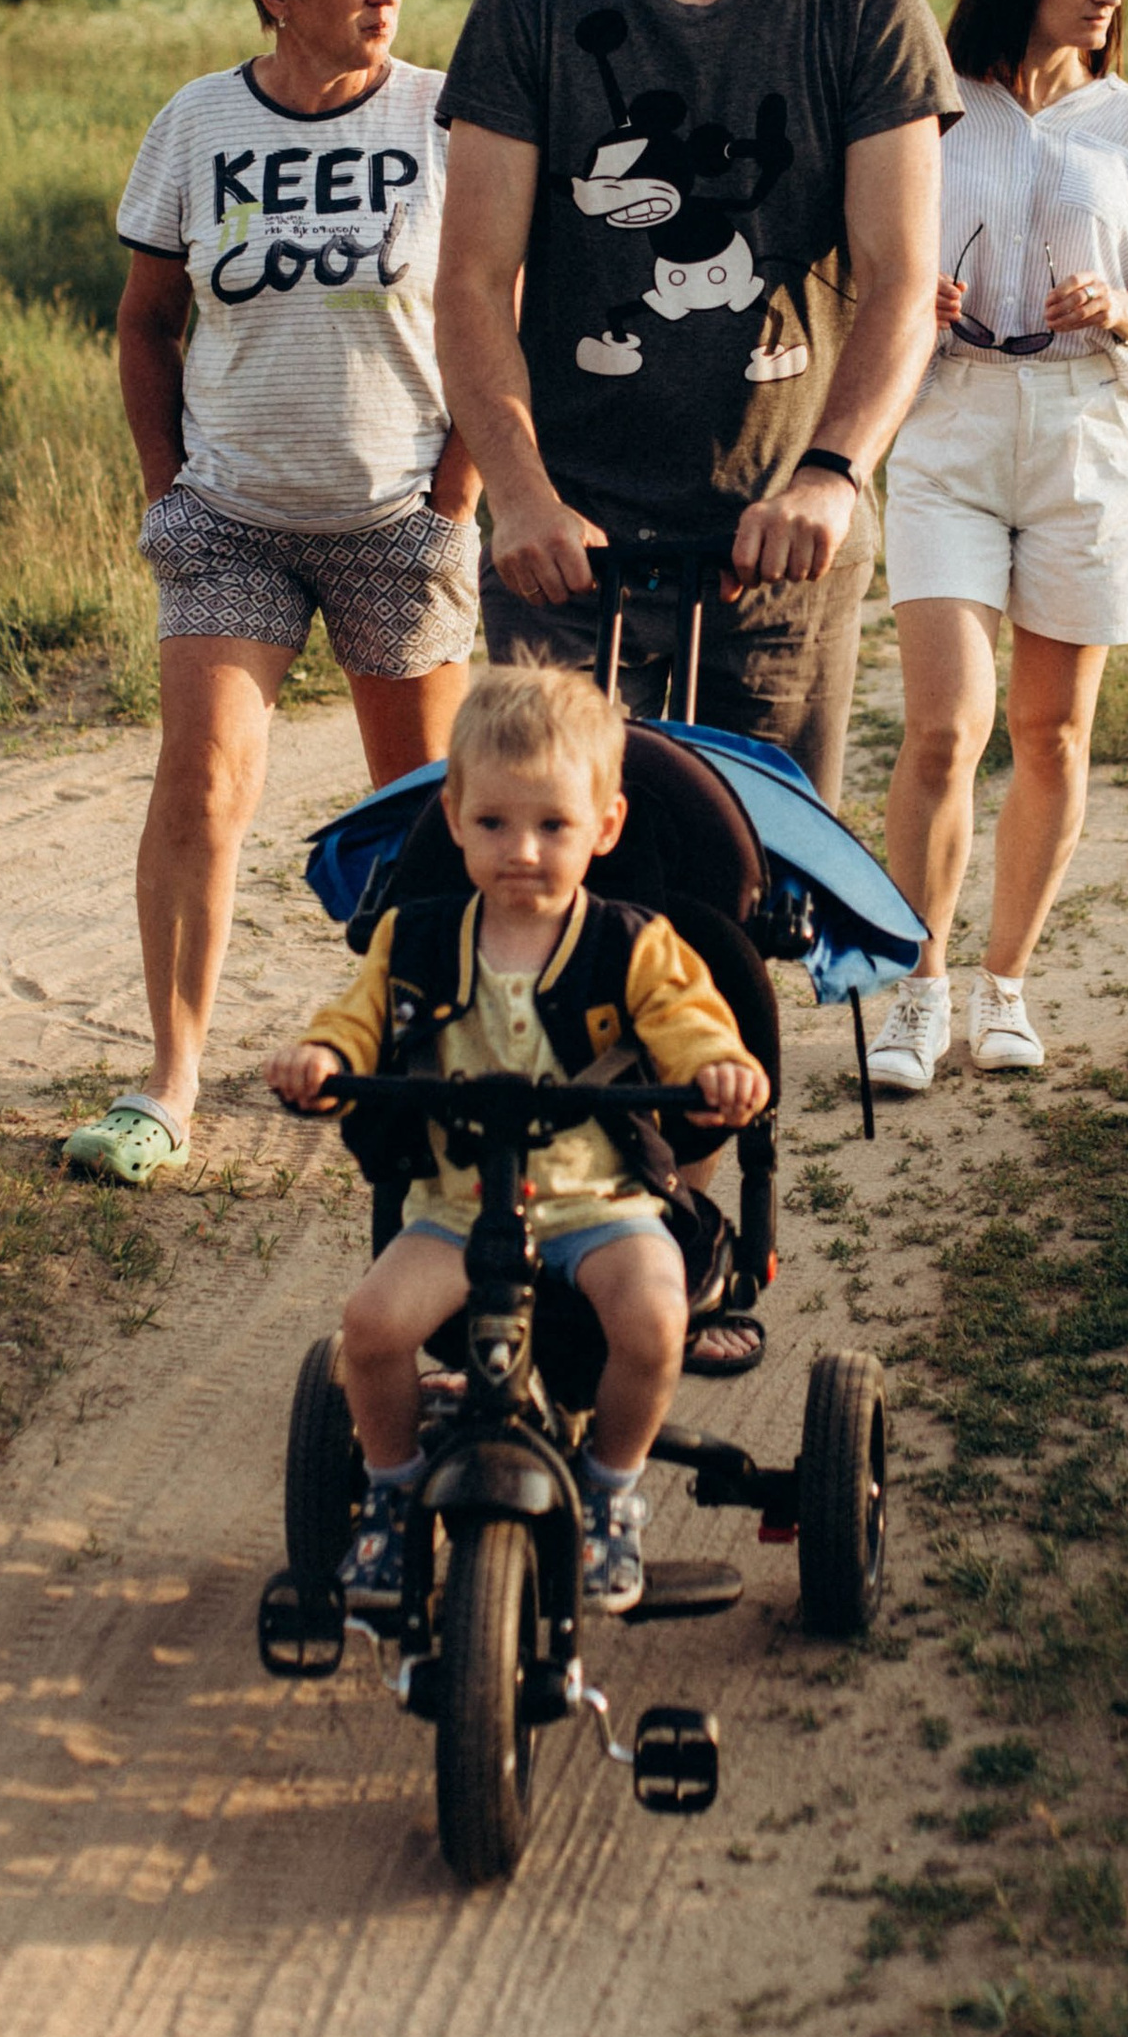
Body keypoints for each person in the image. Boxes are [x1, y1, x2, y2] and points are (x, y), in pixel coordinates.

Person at [432, 0, 955, 818]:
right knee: (548, 884)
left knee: (746, 885)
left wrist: (829, 477)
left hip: (779, 546)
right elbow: (470, 281)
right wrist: (516, 496)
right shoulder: (532, 2)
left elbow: (903, 278)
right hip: (563, 545)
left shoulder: (863, 4)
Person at [61, 0, 482, 1186]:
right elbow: (144, 321)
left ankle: (434, 1057)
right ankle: (168, 1088)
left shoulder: (444, 122)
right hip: (229, 520)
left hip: (393, 521)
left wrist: (455, 492)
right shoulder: (198, 123)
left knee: (423, 813)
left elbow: (490, 311)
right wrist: (163, 484)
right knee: (200, 783)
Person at [267, 668, 768, 1613]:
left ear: (604, 829)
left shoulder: (634, 944)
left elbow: (691, 1020)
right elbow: (356, 1023)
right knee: (371, 1329)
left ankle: (611, 1490)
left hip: (602, 1203)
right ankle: (393, 1490)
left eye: (552, 826)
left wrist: (718, 1068)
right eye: (493, 823)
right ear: (452, 816)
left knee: (657, 1320)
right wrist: (322, 1061)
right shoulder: (414, 939)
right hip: (459, 1210)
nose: (522, 851)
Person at [868, 0, 1128, 1091]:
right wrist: (913, 302)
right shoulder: (931, 112)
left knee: (1053, 733)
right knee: (942, 730)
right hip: (950, 423)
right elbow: (864, 259)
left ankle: (1003, 986)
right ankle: (915, 992)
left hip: (1083, 428)